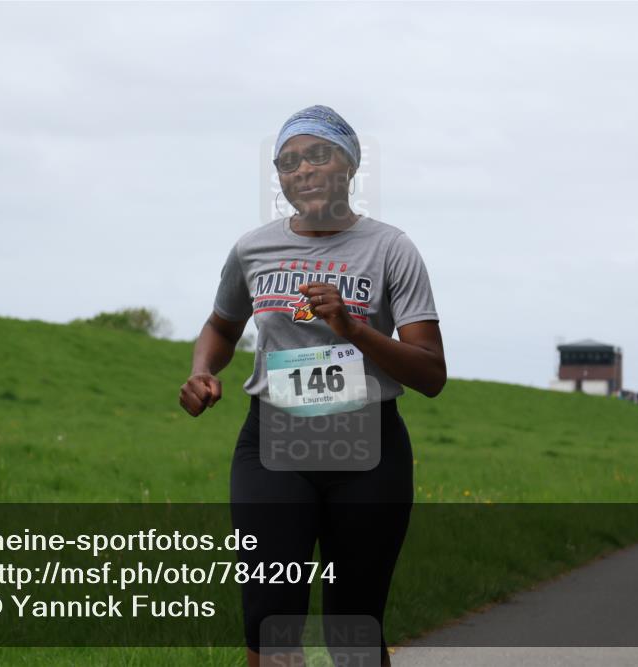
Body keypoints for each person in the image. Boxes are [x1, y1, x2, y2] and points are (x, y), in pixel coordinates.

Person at [179, 104, 445, 666]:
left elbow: (430, 373)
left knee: (353, 625)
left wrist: (353, 329)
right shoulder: (253, 249)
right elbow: (221, 327)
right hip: (274, 442)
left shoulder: (390, 248)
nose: (301, 170)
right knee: (269, 619)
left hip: (367, 447)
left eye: (317, 155)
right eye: (287, 161)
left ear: (350, 165)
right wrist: (203, 370)